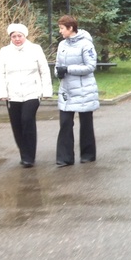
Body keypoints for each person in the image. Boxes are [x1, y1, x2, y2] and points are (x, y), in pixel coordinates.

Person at [0, 23, 53, 168]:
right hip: (12, 94)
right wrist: (2, 93)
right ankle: (24, 152)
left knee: (27, 120)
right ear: (10, 38)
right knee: (17, 124)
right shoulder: (5, 51)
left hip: (32, 92)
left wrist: (46, 92)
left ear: (25, 36)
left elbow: (44, 70)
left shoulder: (35, 49)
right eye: (13, 36)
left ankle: (29, 157)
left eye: (19, 36)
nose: (17, 39)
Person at [54, 15, 99, 166]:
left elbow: (90, 66)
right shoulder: (62, 45)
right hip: (67, 89)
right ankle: (64, 157)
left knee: (86, 123)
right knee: (65, 123)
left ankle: (88, 154)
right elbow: (58, 64)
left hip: (84, 89)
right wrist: (58, 72)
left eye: (61, 28)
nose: (60, 31)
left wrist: (68, 69)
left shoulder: (86, 45)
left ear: (70, 28)